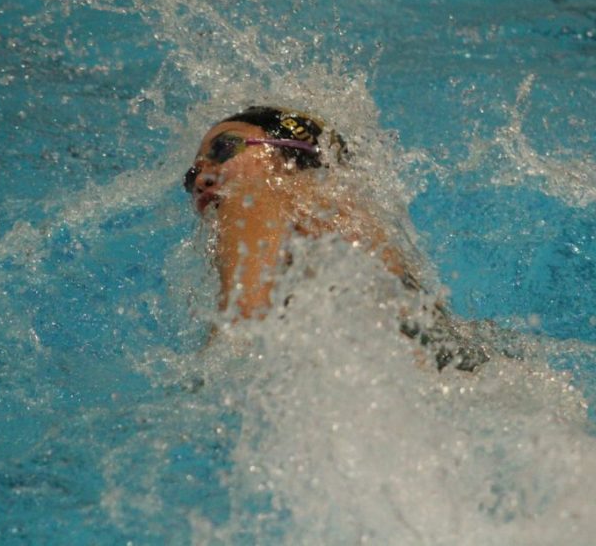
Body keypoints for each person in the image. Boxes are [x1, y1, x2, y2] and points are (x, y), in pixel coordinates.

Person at [183, 106, 491, 371]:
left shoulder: (263, 192)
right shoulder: (341, 213)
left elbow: (241, 328)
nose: (201, 178)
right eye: (192, 174)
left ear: (290, 151)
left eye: (224, 149)